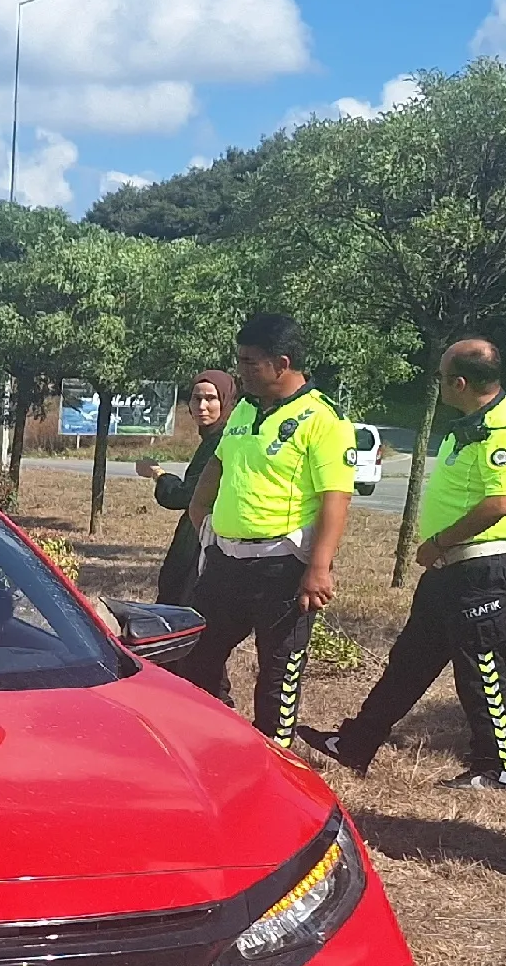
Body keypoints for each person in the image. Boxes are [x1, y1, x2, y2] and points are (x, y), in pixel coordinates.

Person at [298, 339, 506, 790]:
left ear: (460, 383)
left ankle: (496, 766)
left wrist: (439, 542)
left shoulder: (502, 429)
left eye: (442, 377)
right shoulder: (469, 424)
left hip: (479, 569)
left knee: (481, 670)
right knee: (407, 664)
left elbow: (498, 504)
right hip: (449, 571)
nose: (439, 385)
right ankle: (356, 744)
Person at [169, 313, 356, 741]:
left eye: (251, 362)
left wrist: (319, 568)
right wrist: (202, 520)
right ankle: (206, 736)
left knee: (278, 670)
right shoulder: (245, 410)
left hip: (283, 565)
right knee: (198, 651)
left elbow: (335, 499)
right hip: (226, 561)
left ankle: (276, 753)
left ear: (282, 363)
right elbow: (217, 468)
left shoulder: (322, 419)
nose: (242, 370)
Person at [137, 369, 236, 606]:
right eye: (196, 398)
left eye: (211, 398)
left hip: (207, 540)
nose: (202, 406)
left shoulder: (223, 441)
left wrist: (157, 473)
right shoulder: (216, 437)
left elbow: (184, 495)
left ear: (226, 401)